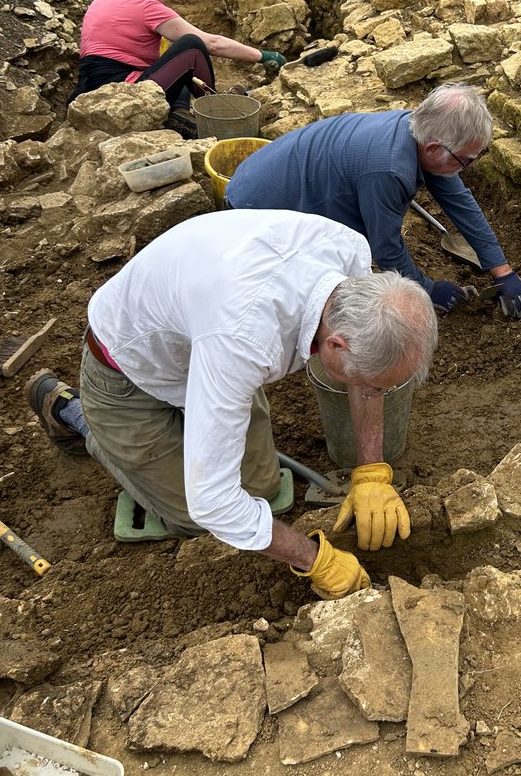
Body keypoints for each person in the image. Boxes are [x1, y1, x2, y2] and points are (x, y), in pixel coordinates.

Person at [25, 210, 438, 599]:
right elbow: (213, 503)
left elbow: (366, 378)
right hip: (128, 368)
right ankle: (78, 415)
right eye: (368, 382)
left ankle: (158, 437)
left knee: (261, 491)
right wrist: (314, 559)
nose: (370, 391)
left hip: (203, 344)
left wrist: (370, 473)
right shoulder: (244, 339)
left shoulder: (350, 261)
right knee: (195, 517)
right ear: (336, 345)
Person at [225, 83, 521, 319]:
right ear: (433, 149)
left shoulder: (416, 130)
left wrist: (502, 271)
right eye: (465, 161)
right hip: (254, 214)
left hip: (266, 183)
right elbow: (386, 249)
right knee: (330, 290)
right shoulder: (389, 170)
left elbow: (460, 202)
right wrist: (427, 290)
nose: (466, 168)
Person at [70, 0, 288, 138]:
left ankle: (179, 114)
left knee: (179, 72)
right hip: (124, 91)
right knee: (191, 46)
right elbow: (212, 44)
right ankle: (215, 109)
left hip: (90, 89)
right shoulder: (146, 5)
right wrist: (264, 55)